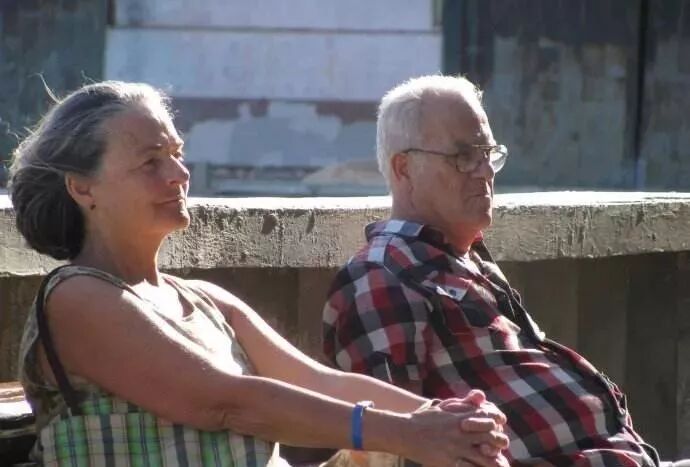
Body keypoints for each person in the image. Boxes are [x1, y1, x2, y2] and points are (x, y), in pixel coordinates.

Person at [8, 81, 509, 467]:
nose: (179, 174)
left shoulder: (204, 300)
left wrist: (442, 420)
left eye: (177, 154)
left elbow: (323, 384)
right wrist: (409, 433)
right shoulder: (75, 296)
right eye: (150, 162)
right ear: (83, 188)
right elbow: (224, 403)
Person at [322, 75, 684, 467]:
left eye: (488, 153)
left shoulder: (458, 259)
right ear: (404, 168)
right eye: (463, 156)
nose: (485, 171)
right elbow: (393, 450)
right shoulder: (381, 277)